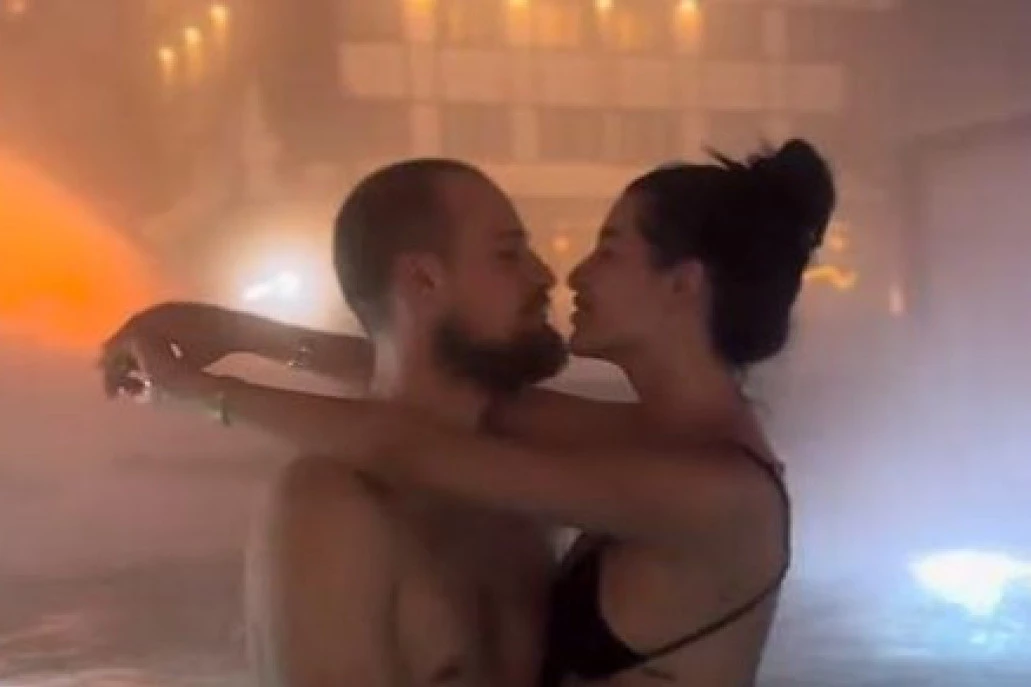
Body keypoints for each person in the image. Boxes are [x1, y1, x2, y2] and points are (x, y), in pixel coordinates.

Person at [107, 139, 835, 686]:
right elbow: (462, 398)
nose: (567, 273)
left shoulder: (714, 489)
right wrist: (243, 337)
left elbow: (415, 449)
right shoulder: (658, 441)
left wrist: (201, 392)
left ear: (682, 285)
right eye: (510, 254)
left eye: (608, 251)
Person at [108, 158, 568, 686]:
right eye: (508, 255)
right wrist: (225, 366)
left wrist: (247, 342)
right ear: (422, 278)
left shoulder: (520, 486)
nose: (544, 274)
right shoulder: (333, 505)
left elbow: (412, 432)